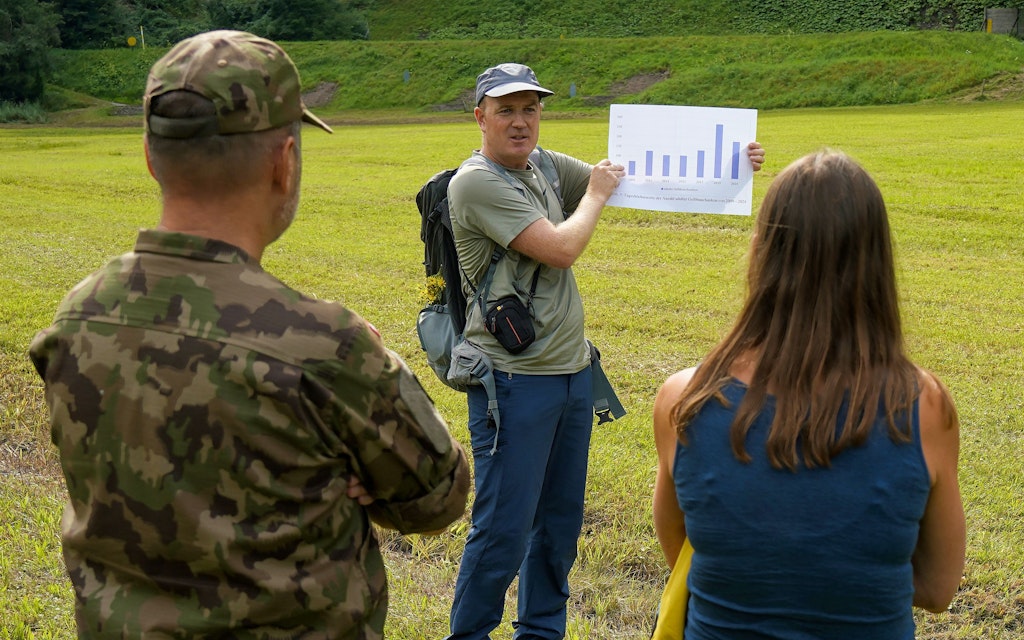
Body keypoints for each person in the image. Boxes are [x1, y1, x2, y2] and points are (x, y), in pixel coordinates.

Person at [29, 30, 469, 639]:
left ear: (152, 157)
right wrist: (373, 372)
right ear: (284, 163)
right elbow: (438, 497)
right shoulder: (326, 346)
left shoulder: (79, 315)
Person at [445, 62, 764, 639]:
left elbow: (627, 175)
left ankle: (540, 632)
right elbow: (561, 247)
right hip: (513, 383)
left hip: (570, 376)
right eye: (506, 110)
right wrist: (593, 194)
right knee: (502, 530)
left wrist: (730, 168)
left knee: (559, 526)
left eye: (531, 109)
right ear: (480, 117)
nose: (521, 122)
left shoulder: (540, 165)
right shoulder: (476, 182)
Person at [652, 150, 966, 639]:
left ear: (759, 251)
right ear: (878, 262)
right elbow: (937, 588)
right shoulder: (924, 407)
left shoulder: (684, 400)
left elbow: (688, 552)